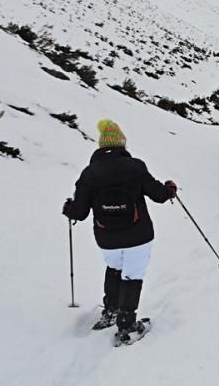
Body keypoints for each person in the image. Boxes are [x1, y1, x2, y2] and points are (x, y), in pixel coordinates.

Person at [62, 119, 177, 344]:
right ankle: (126, 326)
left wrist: (69, 208)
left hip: (106, 238)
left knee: (114, 267)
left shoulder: (89, 173)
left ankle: (111, 311)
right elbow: (159, 195)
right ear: (122, 145)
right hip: (139, 235)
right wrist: (170, 188)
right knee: (132, 275)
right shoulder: (135, 166)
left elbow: (80, 212)